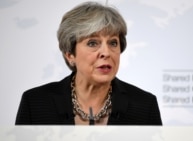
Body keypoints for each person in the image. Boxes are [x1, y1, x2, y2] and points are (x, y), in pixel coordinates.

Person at [15, 1, 162, 125]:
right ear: (70, 55)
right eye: (92, 43)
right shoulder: (35, 102)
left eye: (113, 43)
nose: (106, 52)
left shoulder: (145, 105)